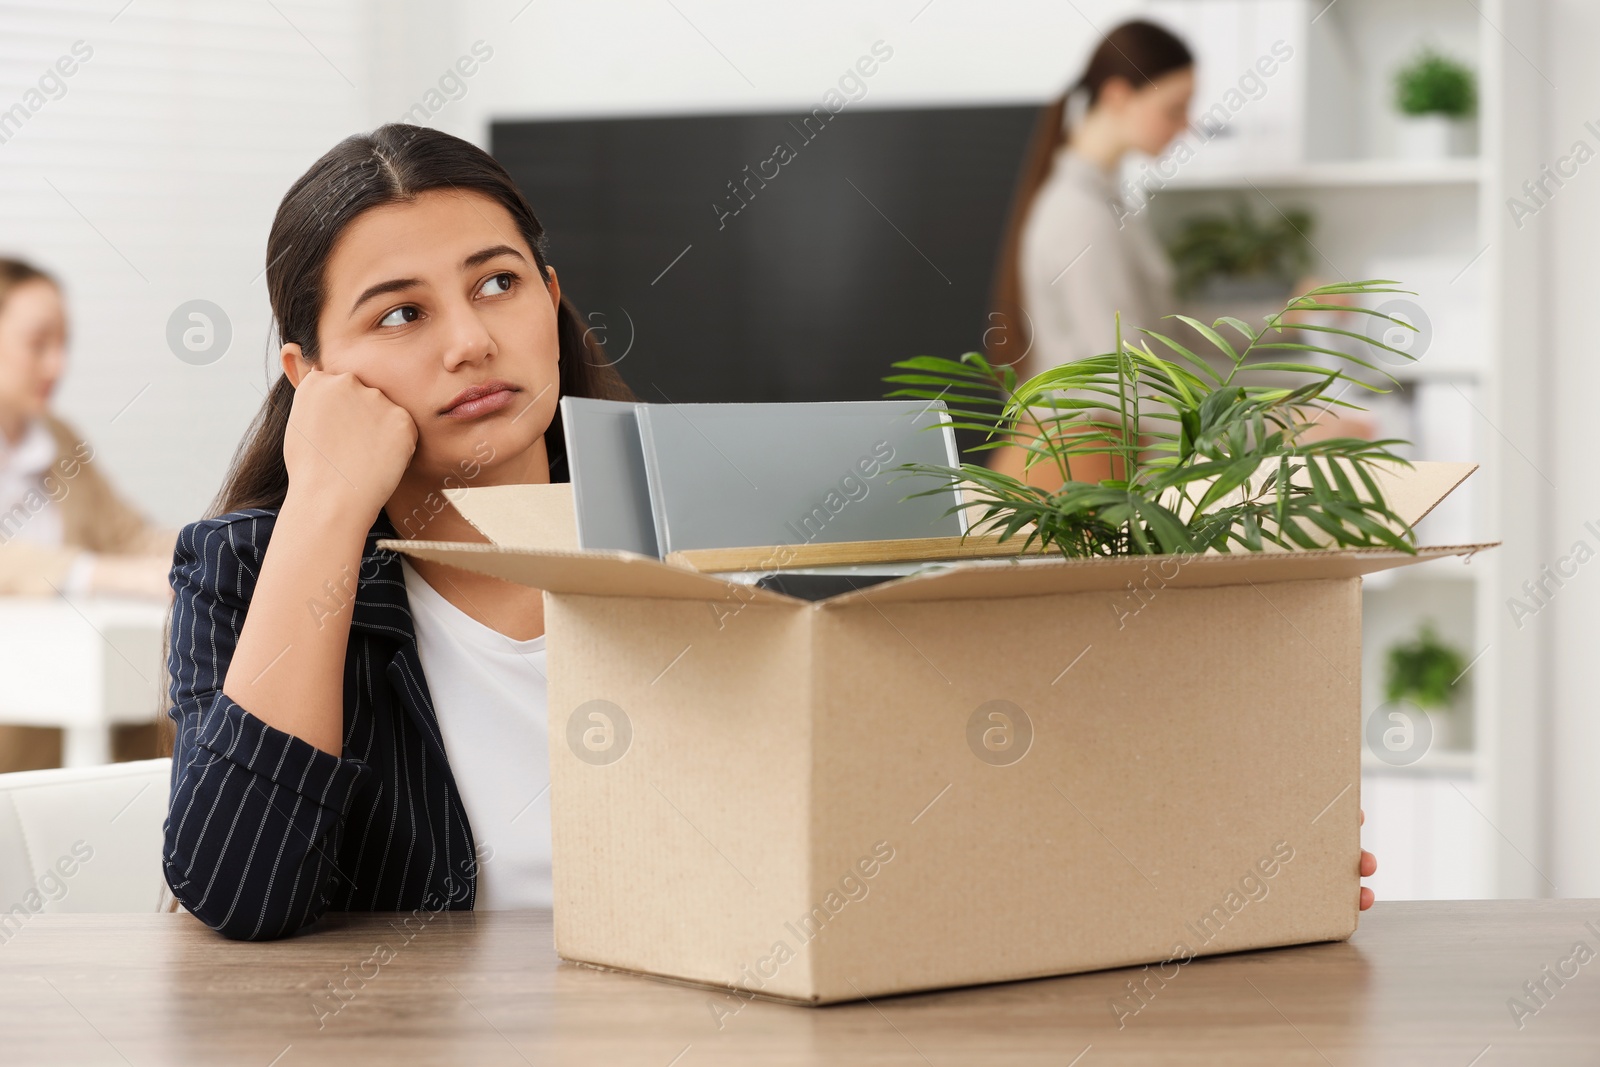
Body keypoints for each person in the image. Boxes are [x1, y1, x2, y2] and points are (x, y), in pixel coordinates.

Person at [162, 124, 634, 940]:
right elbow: (239, 891)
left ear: (550, 300)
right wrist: (324, 506)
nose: (471, 342)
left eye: (496, 284)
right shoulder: (241, 567)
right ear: (311, 377)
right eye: (402, 313)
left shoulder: (677, 525)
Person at [0, 258, 176, 772]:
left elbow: (129, 535)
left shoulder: (57, 440)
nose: (56, 366)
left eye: (64, 344)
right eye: (38, 344)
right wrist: (99, 573)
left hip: (69, 728)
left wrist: (210, 548)